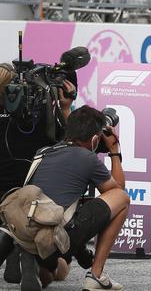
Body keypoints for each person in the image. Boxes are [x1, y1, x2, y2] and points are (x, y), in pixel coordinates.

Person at [1, 106, 129, 290]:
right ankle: (96, 275)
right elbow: (118, 190)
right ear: (95, 139)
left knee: (60, 272)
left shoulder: (43, 152)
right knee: (122, 199)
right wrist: (114, 149)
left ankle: (28, 260)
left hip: (30, 230)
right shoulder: (87, 158)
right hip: (56, 234)